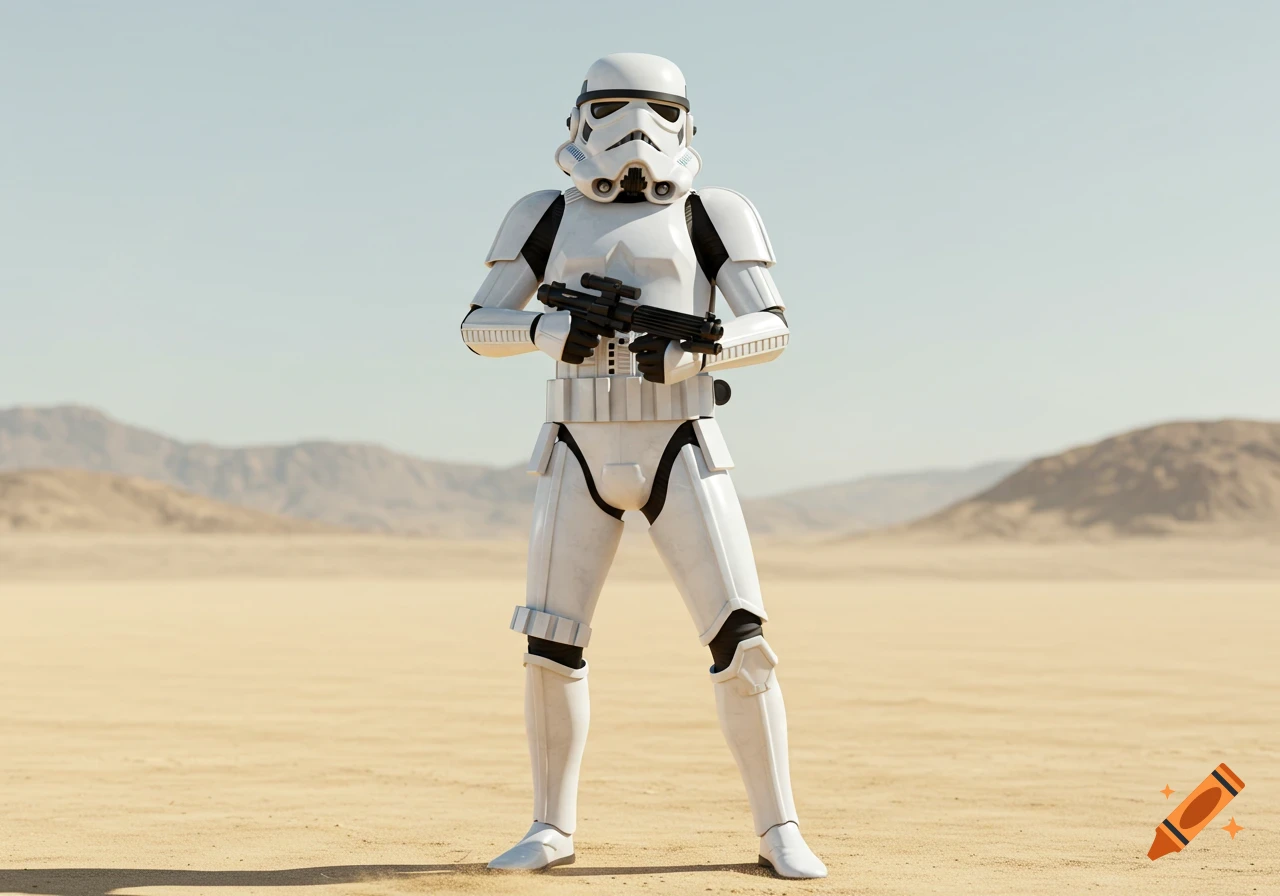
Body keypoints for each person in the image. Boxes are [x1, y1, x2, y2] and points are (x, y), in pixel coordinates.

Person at [460, 52, 826, 880]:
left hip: (681, 439)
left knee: (743, 642)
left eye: (658, 110)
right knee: (549, 644)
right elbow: (479, 323)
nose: (637, 129)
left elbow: (771, 323)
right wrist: (545, 332)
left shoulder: (713, 212)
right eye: (615, 107)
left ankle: (779, 828)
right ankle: (550, 827)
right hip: (575, 444)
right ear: (579, 118)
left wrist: (700, 353)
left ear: (686, 121)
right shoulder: (543, 215)